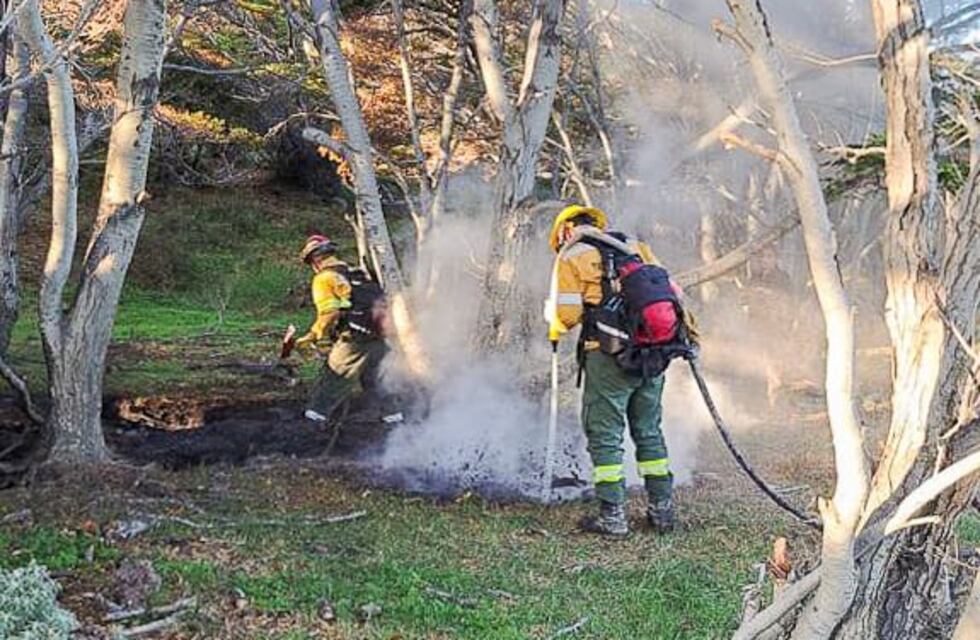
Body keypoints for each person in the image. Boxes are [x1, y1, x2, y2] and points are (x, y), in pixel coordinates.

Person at [545, 205, 678, 536]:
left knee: (605, 434)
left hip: (608, 357)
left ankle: (613, 517)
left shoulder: (572, 255)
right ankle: (662, 512)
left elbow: (568, 316)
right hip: (652, 353)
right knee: (649, 430)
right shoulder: (635, 247)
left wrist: (553, 317)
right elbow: (668, 295)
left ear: (565, 230)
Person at [289, 235, 389, 423]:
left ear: (315, 260)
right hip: (379, 336)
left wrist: (314, 336)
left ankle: (312, 423)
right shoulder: (357, 273)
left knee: (334, 376)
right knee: (377, 380)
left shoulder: (324, 278)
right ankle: (394, 421)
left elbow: (330, 313)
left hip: (354, 339)